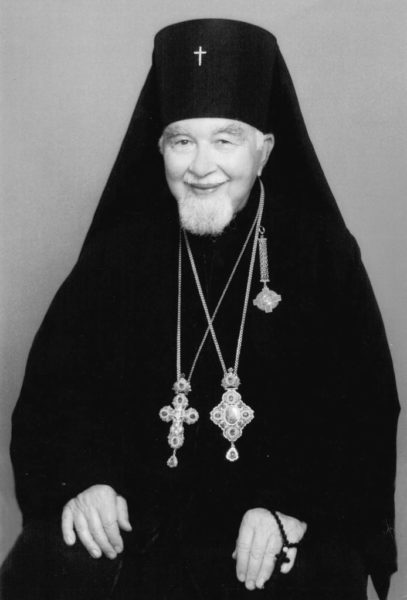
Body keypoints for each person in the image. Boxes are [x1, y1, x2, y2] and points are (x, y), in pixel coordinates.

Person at [1, 18, 399, 600]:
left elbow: (363, 408)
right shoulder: (120, 252)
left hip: (272, 516)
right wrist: (82, 482)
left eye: (225, 141)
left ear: (264, 151)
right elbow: (56, 391)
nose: (201, 166)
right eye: (182, 141)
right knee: (49, 564)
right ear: (159, 148)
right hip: (139, 521)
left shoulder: (322, 253)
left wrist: (292, 509)